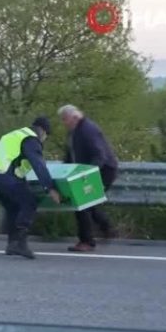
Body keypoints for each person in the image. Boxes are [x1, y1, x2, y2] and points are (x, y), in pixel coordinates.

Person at [0, 117, 61, 259]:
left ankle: (12, 245)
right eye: (46, 136)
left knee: (14, 207)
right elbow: (38, 164)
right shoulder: (31, 139)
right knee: (30, 202)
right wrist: (51, 188)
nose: (44, 140)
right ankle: (20, 244)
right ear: (42, 131)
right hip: (2, 174)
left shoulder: (16, 134)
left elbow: (16, 165)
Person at [58, 104, 119, 252]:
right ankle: (108, 229)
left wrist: (87, 174)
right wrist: (64, 170)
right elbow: (70, 154)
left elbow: (100, 156)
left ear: (74, 117)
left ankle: (87, 241)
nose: (63, 123)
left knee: (82, 203)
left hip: (103, 171)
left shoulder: (88, 130)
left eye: (65, 119)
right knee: (88, 203)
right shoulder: (74, 132)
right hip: (87, 171)